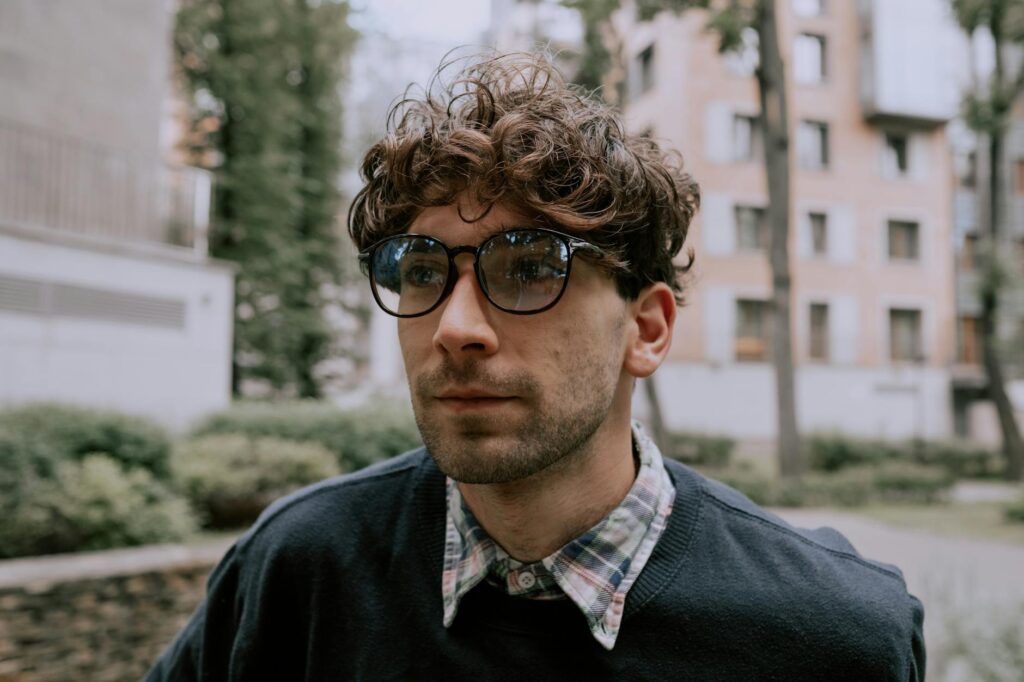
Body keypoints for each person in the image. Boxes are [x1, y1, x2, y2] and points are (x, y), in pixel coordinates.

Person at [147, 52, 925, 681]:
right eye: (420, 270)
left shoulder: (830, 638)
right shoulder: (300, 569)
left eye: (527, 269)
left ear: (646, 329)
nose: (455, 328)